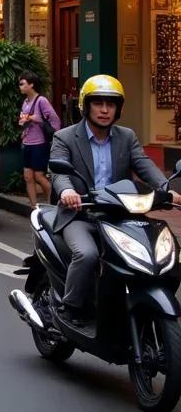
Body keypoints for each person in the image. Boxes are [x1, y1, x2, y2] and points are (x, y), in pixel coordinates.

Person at [50, 74, 181, 329]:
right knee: (87, 254)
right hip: (80, 215)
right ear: (86, 106)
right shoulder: (65, 137)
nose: (104, 109)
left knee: (162, 252)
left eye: (110, 104)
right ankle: (71, 308)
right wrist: (67, 192)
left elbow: (145, 166)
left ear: (118, 108)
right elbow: (59, 173)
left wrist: (167, 190)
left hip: (120, 216)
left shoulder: (126, 136)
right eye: (98, 103)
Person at [18, 70, 60, 208]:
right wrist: (24, 125)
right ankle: (34, 207)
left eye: (23, 84)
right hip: (27, 142)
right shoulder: (25, 102)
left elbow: (55, 121)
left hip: (39, 143)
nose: (20, 86)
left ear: (31, 85)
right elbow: (25, 119)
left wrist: (37, 121)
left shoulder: (41, 101)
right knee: (28, 177)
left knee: (39, 176)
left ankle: (54, 201)